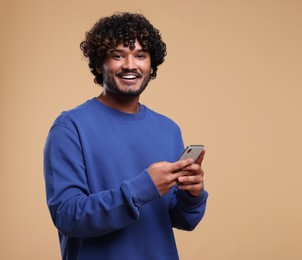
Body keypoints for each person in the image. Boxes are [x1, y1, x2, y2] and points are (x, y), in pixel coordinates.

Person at [43, 12, 208, 260]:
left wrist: (191, 195)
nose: (130, 65)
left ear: (151, 65)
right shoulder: (70, 128)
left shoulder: (168, 129)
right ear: (100, 64)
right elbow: (68, 216)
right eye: (118, 55)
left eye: (140, 55)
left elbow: (182, 220)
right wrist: (142, 188)